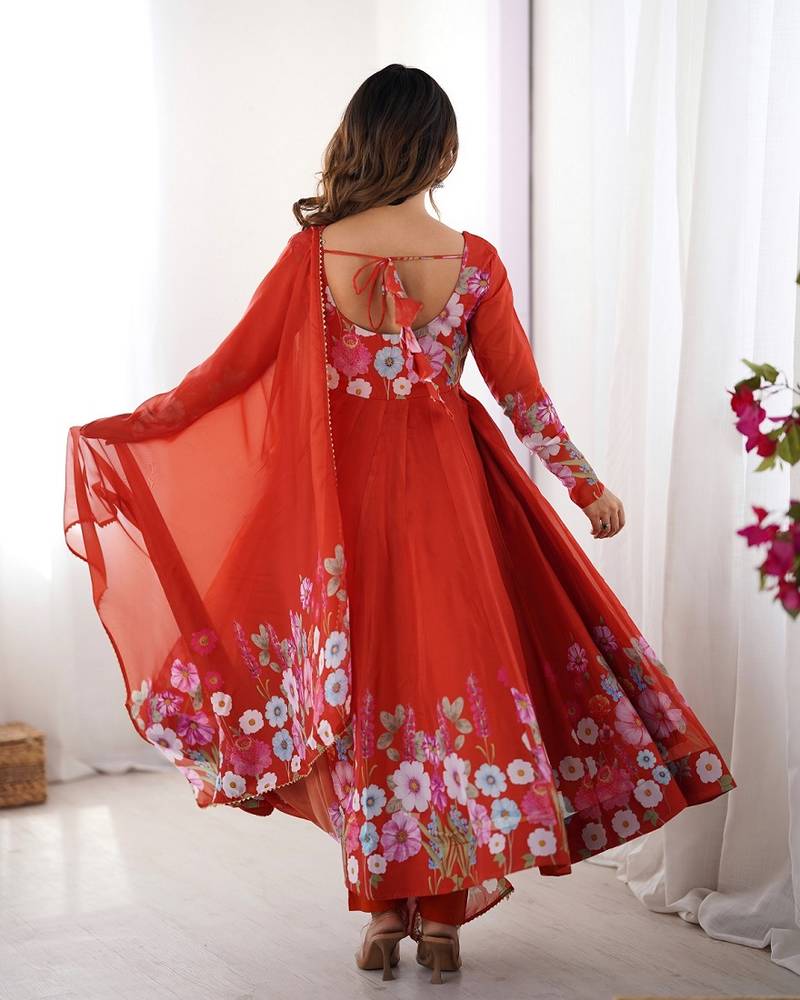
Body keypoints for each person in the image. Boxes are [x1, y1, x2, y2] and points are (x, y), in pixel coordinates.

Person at [64, 64, 736, 986]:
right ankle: (445, 921)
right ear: (444, 152)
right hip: (453, 500)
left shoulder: (313, 256)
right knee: (449, 687)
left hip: (338, 509)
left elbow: (224, 377)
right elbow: (522, 399)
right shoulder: (476, 260)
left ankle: (385, 913)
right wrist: (587, 490)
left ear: (359, 142)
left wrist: (136, 428)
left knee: (365, 695)